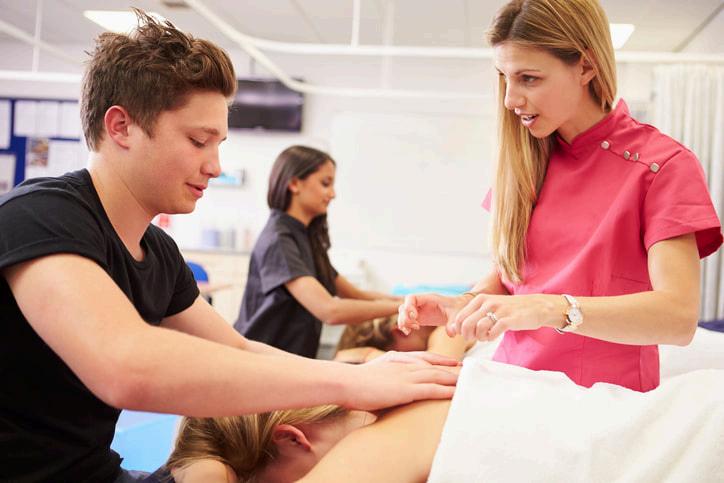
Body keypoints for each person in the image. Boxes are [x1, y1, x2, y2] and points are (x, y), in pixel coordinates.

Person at [0, 11, 458, 482]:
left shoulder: (158, 252)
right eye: (198, 141)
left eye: (218, 143)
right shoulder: (40, 216)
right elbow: (125, 367)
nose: (215, 166)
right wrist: (351, 383)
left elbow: (239, 348)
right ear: (121, 127)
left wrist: (366, 382)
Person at [398, 0, 723, 392]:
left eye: (529, 78)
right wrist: (465, 303)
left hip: (606, 398)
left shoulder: (661, 167)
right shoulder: (522, 165)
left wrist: (551, 307)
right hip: (511, 381)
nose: (510, 99)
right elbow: (514, 277)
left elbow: (677, 318)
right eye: (505, 78)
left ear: (586, 66)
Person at [234, 145, 403, 357]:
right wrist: (401, 308)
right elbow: (329, 310)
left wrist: (407, 301)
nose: (333, 194)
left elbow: (356, 295)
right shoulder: (279, 240)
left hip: (287, 359)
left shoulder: (306, 236)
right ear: (294, 184)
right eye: (325, 183)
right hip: (258, 360)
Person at [334, 316, 471, 363]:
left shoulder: (446, 330)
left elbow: (439, 368)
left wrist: (369, 355)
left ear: (400, 332)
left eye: (395, 352)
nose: (404, 356)